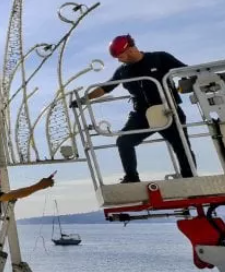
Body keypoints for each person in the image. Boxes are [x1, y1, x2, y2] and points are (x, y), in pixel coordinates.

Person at [73, 34, 194, 183]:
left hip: (168, 111)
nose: (119, 60)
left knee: (181, 146)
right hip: (142, 115)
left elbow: (185, 71)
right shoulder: (123, 71)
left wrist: (189, 80)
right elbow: (107, 87)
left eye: (120, 56)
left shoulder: (160, 58)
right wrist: (84, 99)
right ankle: (131, 177)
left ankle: (190, 178)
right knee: (124, 141)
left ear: (129, 49)